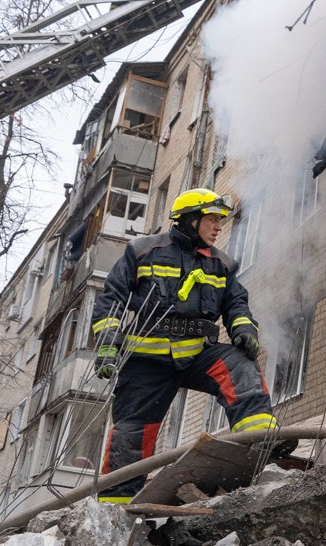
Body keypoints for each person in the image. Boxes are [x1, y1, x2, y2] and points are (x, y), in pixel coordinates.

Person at [90, 188, 290, 503]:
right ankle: (116, 506)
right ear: (190, 219)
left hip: (197, 356)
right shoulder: (142, 251)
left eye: (221, 220)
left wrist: (243, 329)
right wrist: (107, 346)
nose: (219, 226)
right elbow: (112, 299)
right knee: (132, 435)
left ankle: (259, 438)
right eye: (212, 219)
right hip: (146, 361)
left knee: (240, 364)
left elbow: (236, 304)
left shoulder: (222, 265)